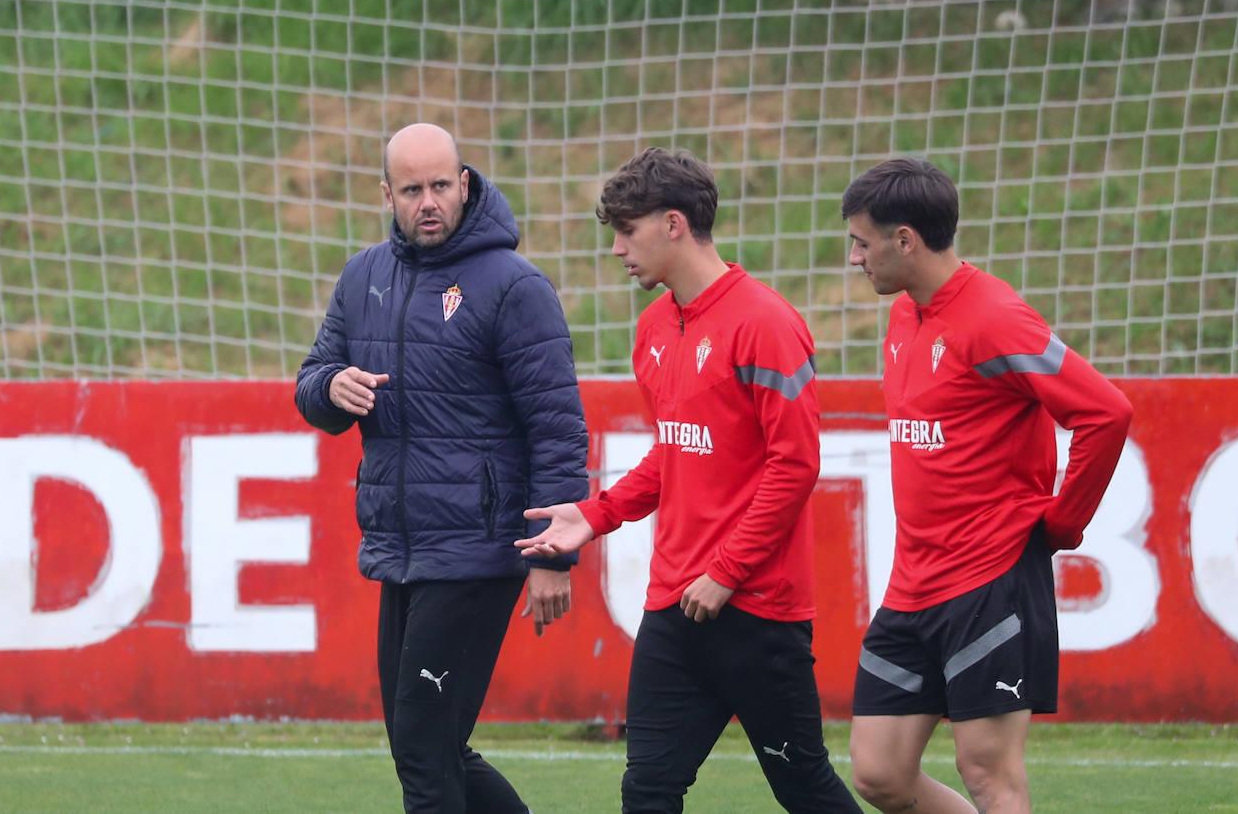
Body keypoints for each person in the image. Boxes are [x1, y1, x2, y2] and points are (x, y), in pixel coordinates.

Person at [515, 148, 862, 814]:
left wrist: (728, 570)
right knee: (647, 789)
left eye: (628, 230)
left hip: (758, 611)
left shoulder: (766, 324)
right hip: (674, 607)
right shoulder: (651, 329)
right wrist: (596, 514)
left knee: (806, 789)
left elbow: (795, 465)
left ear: (674, 224)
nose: (617, 249)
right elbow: (674, 455)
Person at [294, 123, 588, 814]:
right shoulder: (364, 274)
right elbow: (311, 382)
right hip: (401, 548)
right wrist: (333, 386)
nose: (429, 201)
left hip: (476, 550)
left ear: (464, 182)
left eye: (440, 185)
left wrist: (554, 554)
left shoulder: (513, 286)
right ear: (387, 195)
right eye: (411, 189)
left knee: (425, 752)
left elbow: (557, 425)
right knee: (428, 746)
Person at [840, 157, 1134, 813]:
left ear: (905, 240)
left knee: (989, 774)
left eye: (862, 241)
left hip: (990, 582)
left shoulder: (995, 317)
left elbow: (1105, 412)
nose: (854, 257)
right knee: (880, 772)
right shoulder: (905, 317)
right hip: (913, 583)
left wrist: (1063, 524)